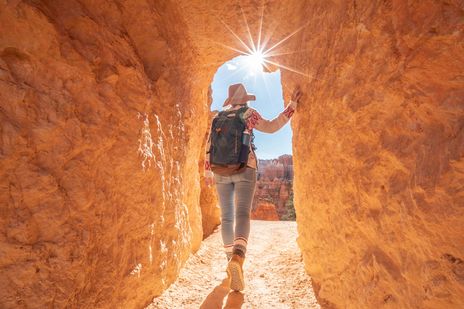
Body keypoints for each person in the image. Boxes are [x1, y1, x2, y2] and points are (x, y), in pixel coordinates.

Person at [204, 83, 302, 291]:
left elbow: (209, 146)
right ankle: (238, 260)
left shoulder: (218, 117)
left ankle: (229, 259)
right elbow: (272, 126)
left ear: (230, 101)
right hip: (244, 167)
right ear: (245, 99)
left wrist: (207, 172)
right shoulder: (248, 113)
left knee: (227, 218)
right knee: (241, 215)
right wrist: (292, 106)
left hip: (219, 170)